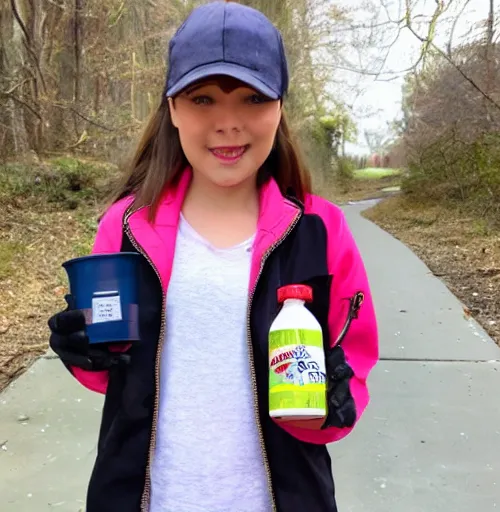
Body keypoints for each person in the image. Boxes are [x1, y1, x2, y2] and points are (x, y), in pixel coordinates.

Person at [47, 2, 379, 511]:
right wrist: (81, 351)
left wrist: (333, 406)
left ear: (280, 107)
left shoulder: (321, 230)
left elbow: (351, 367)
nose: (228, 123)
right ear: (173, 109)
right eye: (203, 98)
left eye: (252, 98)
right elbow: (106, 372)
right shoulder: (126, 226)